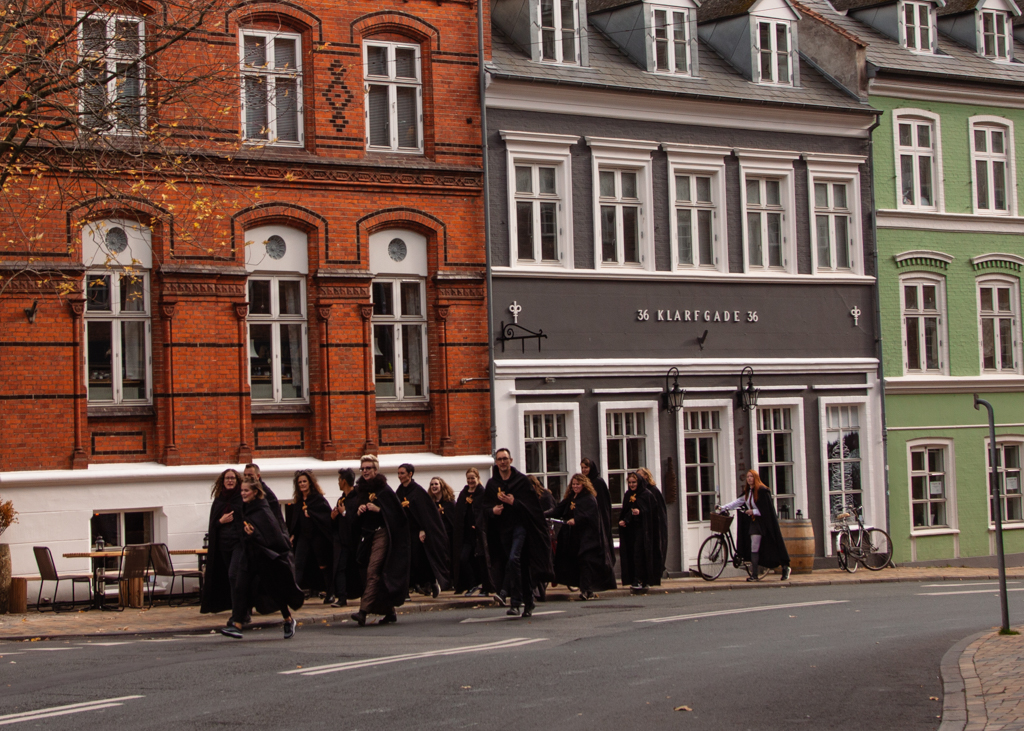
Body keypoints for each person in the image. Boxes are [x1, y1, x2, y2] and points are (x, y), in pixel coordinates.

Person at [220, 478, 304, 639]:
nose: (243, 493)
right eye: (242, 490)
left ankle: (288, 619)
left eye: (246, 491)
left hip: (265, 558)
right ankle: (237, 624)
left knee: (274, 590)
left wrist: (253, 534)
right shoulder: (245, 508)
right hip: (249, 555)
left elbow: (273, 537)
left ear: (255, 492)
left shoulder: (263, 511)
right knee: (240, 587)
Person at [482, 449, 553, 617]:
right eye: (499, 459)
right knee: (515, 564)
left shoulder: (521, 481)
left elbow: (533, 507)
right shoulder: (492, 484)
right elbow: (484, 508)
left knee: (515, 559)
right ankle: (528, 601)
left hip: (521, 527)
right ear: (496, 462)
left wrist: (515, 502)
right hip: (503, 530)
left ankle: (515, 601)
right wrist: (494, 510)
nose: (503, 462)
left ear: (511, 460)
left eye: (505, 459)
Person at [350, 455, 410, 626]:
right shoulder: (361, 489)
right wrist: (359, 510)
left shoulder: (384, 490)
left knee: (373, 570)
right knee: (369, 571)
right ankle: (389, 611)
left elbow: (398, 515)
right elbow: (354, 517)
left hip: (381, 534)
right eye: (362, 469)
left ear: (375, 470)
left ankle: (363, 611)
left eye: (368, 468)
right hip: (366, 535)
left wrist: (380, 510)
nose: (365, 471)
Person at [546, 473, 617, 600]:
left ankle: (586, 590)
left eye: (578, 484)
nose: (575, 486)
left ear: (583, 484)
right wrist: (542, 515)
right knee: (576, 562)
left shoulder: (589, 499)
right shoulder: (571, 497)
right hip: (574, 537)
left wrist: (576, 519)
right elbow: (559, 510)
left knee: (586, 562)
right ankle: (586, 589)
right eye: (573, 484)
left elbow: (590, 516)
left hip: (588, 537)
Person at [719, 470, 792, 582]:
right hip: (754, 523)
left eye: (751, 476)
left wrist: (753, 511)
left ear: (756, 478)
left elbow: (766, 510)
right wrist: (723, 507)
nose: (749, 479)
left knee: (773, 544)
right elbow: (737, 502)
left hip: (765, 523)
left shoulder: (762, 491)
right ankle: (755, 575)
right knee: (754, 546)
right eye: (748, 477)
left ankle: (785, 567)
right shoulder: (748, 492)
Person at [396, 463, 451, 597]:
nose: (400, 476)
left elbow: (426, 513)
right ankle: (415, 586)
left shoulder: (417, 491)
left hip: (418, 532)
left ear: (410, 474)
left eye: (402, 473)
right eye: (398, 473)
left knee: (421, 559)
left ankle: (431, 582)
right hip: (406, 532)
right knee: (408, 560)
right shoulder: (399, 491)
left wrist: (423, 529)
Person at [200, 469, 247, 626]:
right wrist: (221, 521)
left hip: (238, 544)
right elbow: (213, 525)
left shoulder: (242, 499)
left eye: (233, 478)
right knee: (230, 578)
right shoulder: (219, 501)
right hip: (223, 545)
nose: (230, 481)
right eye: (227, 478)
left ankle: (238, 614)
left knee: (235, 576)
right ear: (223, 481)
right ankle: (241, 611)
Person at [288, 470, 334, 602]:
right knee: (298, 563)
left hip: (317, 536)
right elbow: (295, 521)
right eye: (300, 482)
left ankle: (330, 592)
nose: (302, 484)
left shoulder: (317, 499)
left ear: (310, 483)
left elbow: (325, 516)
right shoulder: (298, 501)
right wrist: (293, 535)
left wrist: (312, 515)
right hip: (304, 536)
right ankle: (294, 595)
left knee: (323, 564)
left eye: (304, 481)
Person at [617, 471, 667, 591]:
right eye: (629, 483)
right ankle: (634, 578)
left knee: (639, 553)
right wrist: (624, 520)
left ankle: (640, 579)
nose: (632, 485)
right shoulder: (628, 495)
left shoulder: (647, 494)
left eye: (634, 482)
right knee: (632, 553)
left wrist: (641, 512)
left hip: (644, 530)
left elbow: (653, 513)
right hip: (631, 530)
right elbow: (626, 510)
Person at [452, 467, 490, 596]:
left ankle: (485, 587)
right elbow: (459, 511)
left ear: (477, 478)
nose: (470, 481)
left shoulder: (482, 493)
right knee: (463, 558)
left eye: (472, 478)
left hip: (479, 534)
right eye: (468, 478)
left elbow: (484, 511)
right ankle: (472, 583)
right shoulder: (464, 493)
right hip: (467, 534)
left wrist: (479, 524)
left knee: (482, 561)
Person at [329, 467, 357, 607]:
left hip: (354, 541)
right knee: (340, 568)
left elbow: (356, 519)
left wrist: (345, 513)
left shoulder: (356, 498)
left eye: (339, 480)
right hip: (341, 541)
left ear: (344, 481)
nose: (338, 483)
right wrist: (334, 517)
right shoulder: (341, 499)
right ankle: (341, 597)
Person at [581, 458, 614, 565]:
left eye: (586, 467)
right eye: (582, 468)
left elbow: (604, 504)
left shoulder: (598, 482)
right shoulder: (584, 482)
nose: (584, 470)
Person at [636, 466, 670, 567]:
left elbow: (659, 510)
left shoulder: (653, 491)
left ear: (646, 476)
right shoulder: (638, 491)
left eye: (639, 475)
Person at [428, 476, 457, 586]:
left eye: (436, 484)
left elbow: (454, 518)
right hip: (436, 536)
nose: (434, 486)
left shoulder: (449, 502)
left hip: (449, 535)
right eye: (432, 485)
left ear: (441, 486)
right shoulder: (430, 503)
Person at [243, 463, 286, 530]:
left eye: (250, 475)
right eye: (245, 475)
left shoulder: (266, 493)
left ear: (258, 476)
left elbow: (276, 516)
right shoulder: (243, 490)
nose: (247, 477)